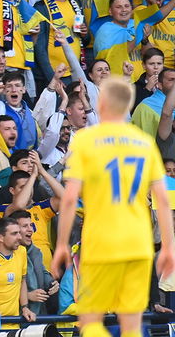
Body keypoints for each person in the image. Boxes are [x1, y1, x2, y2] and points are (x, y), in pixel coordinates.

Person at [53, 76, 175, 337]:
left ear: (103, 103)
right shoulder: (144, 144)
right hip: (138, 242)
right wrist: (168, 247)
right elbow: (162, 201)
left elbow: (71, 198)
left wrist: (62, 244)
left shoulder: (86, 141)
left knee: (92, 320)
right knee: (132, 323)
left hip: (101, 240)